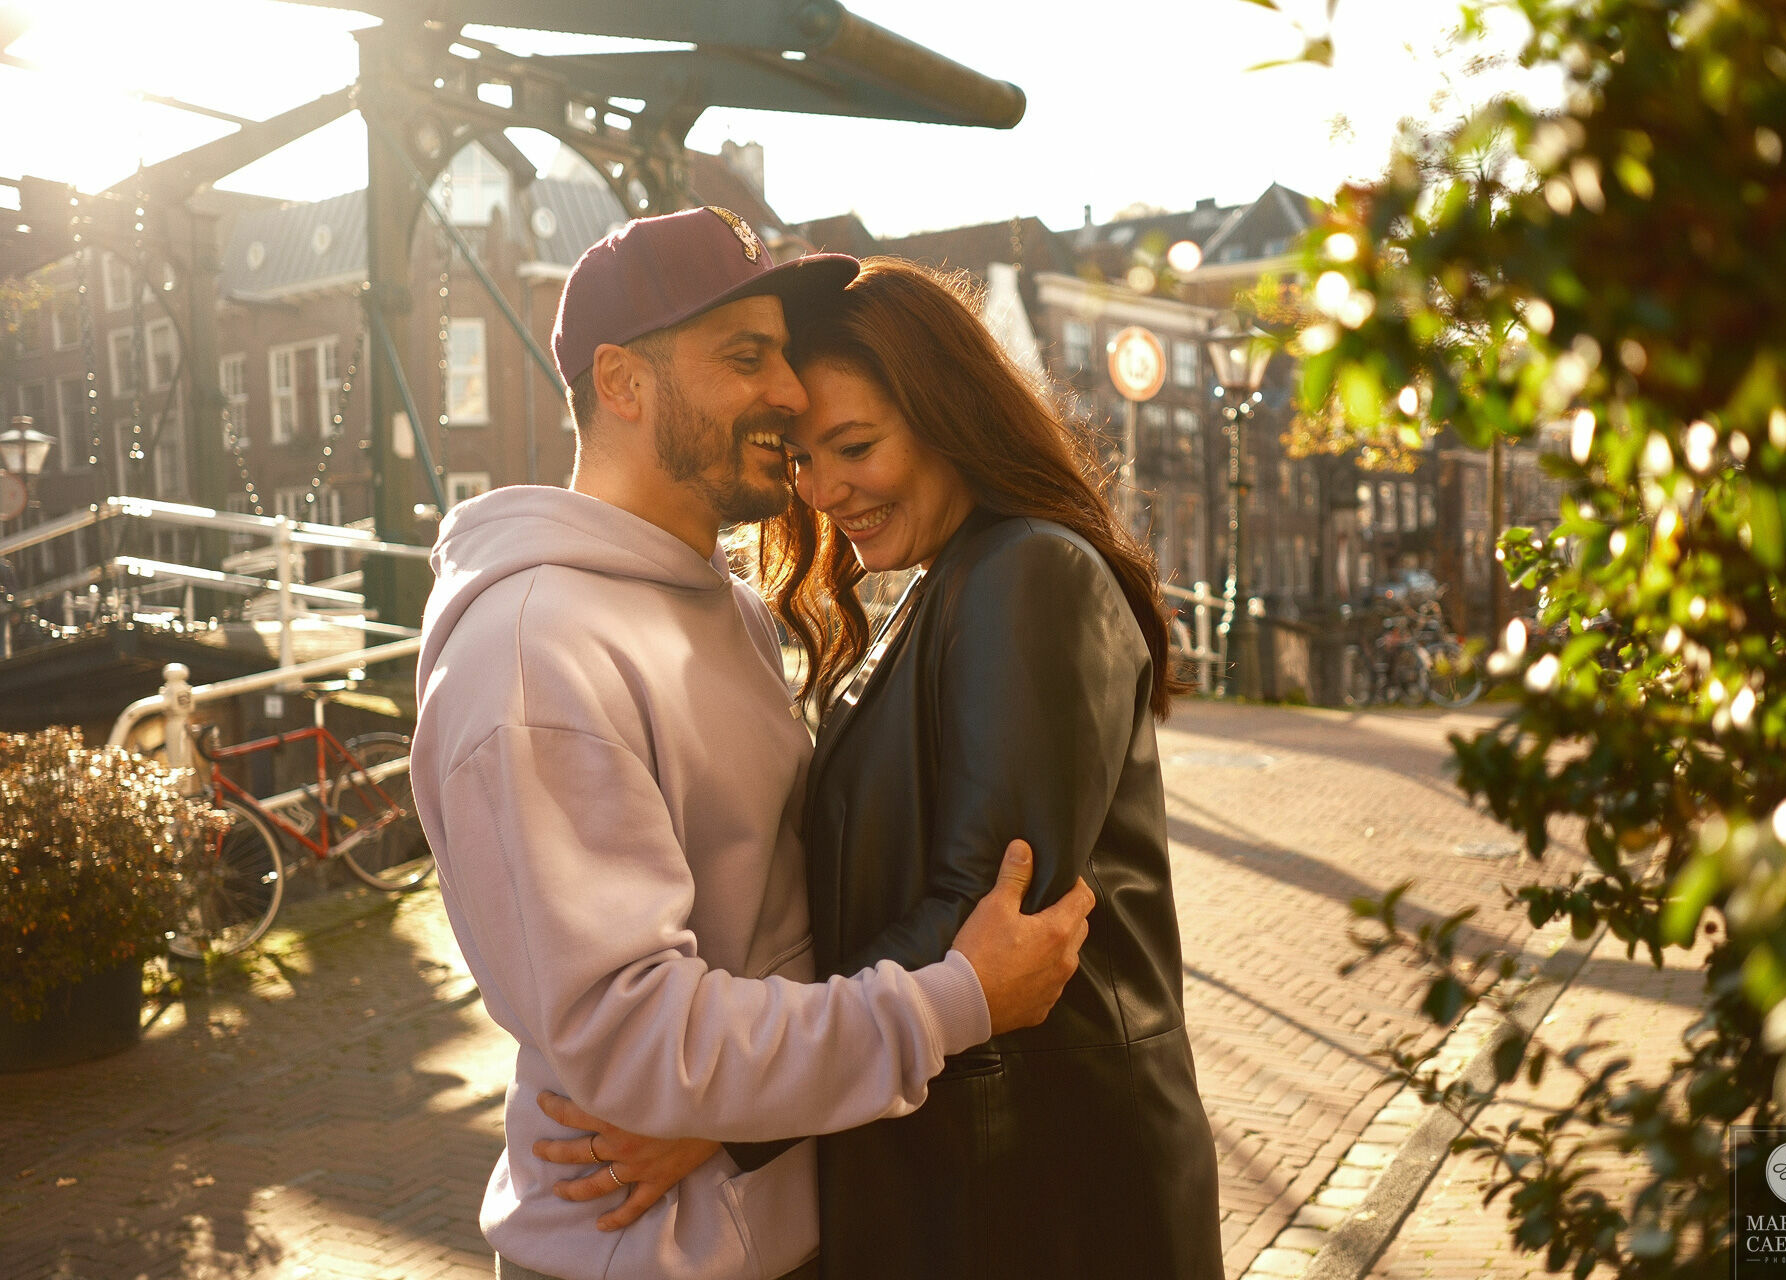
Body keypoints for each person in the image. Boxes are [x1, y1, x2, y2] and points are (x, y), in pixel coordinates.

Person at [410, 211, 1095, 1280]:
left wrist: (735, 1122)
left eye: (782, 350)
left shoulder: (724, 611)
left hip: (777, 1224)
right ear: (623, 382)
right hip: (645, 1256)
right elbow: (641, 1040)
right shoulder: (532, 651)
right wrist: (953, 999)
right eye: (745, 355)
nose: (789, 387)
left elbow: (770, 931)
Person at [541, 258, 1224, 1278]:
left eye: (856, 446)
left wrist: (732, 1111)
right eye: (804, 459)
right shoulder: (945, 587)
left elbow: (988, 907)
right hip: (974, 1161)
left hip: (1045, 1188)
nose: (823, 491)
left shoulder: (1027, 571)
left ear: (953, 417)